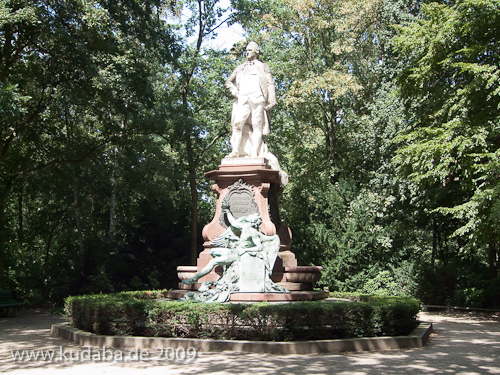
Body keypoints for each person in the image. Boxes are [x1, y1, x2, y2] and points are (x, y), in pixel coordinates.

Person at [225, 42, 277, 158]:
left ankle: (255, 153)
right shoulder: (240, 67)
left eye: (249, 50)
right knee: (237, 124)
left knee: (256, 126)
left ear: (256, 52)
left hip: (258, 98)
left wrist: (272, 99)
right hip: (243, 99)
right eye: (246, 50)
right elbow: (228, 82)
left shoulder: (263, 66)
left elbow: (270, 84)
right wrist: (235, 92)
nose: (247, 52)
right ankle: (235, 151)